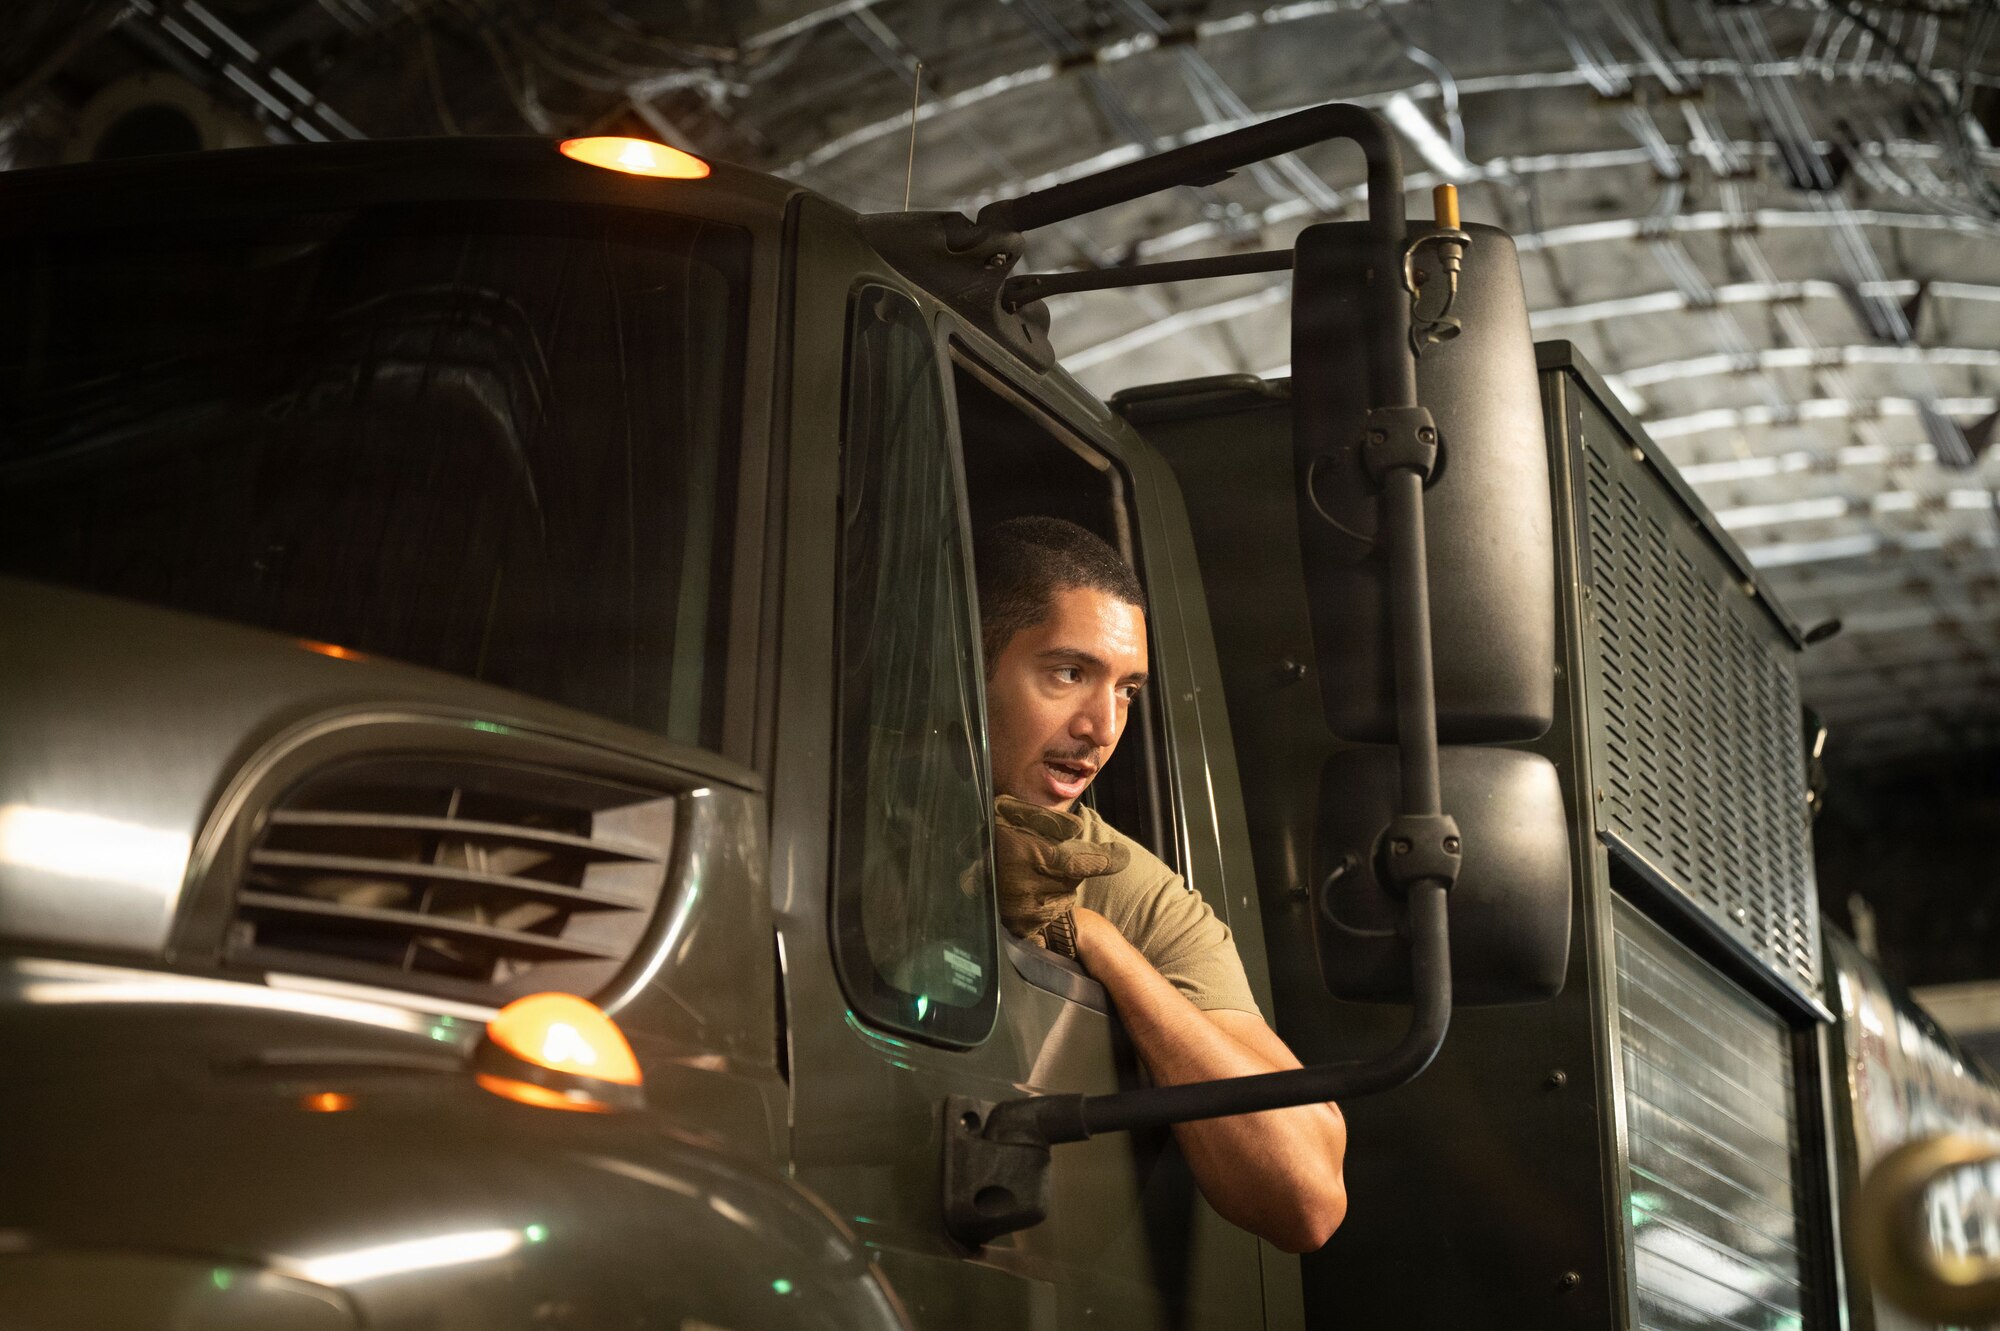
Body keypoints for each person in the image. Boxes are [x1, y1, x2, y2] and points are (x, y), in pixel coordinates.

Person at [974, 515, 1348, 1255]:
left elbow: (1305, 1196)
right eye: (1069, 672)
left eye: (1127, 690)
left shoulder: (1123, 882)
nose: (1101, 726)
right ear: (972, 660)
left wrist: (1097, 942)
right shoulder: (838, 787)